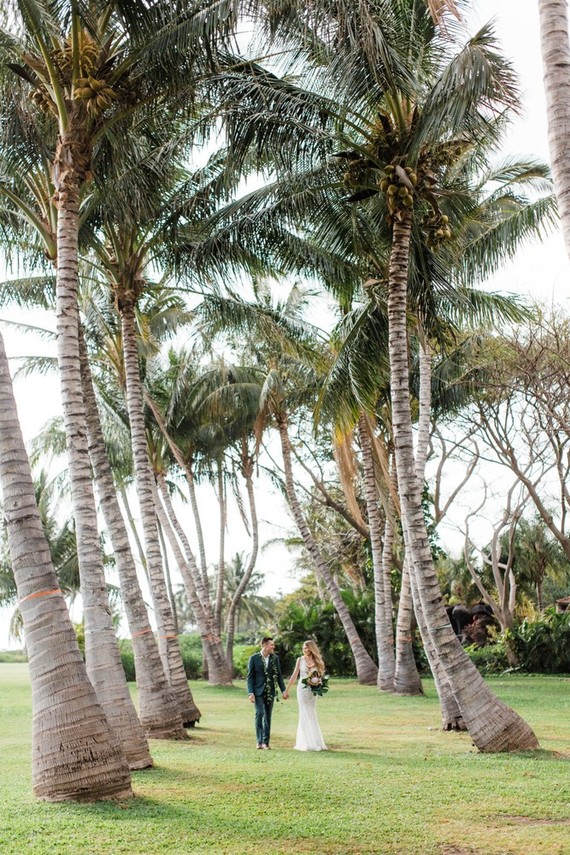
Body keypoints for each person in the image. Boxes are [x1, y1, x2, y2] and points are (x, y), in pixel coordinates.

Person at [285, 639, 327, 751]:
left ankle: (316, 741)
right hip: (302, 690)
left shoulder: (318, 661)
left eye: (307, 647)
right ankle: (305, 742)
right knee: (303, 712)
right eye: (303, 648)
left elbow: (319, 676)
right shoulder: (300, 660)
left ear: (312, 648)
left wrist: (318, 684)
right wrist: (287, 690)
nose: (305, 649)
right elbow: (294, 676)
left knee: (311, 712)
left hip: (312, 691)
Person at [246, 637, 288, 749]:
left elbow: (279, 675)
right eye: (271, 645)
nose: (273, 647)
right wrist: (250, 693)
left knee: (267, 716)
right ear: (264, 645)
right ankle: (259, 741)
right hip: (257, 691)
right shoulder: (253, 658)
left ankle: (266, 743)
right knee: (259, 713)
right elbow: (250, 677)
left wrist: (284, 690)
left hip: (270, 691)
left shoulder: (275, 658)